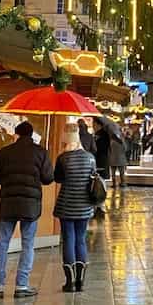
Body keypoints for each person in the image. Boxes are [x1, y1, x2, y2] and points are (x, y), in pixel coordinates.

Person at [0, 121, 54, 298]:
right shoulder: (41, 153)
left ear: (16, 134)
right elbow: (48, 178)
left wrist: (8, 181)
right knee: (28, 244)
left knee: (3, 242)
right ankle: (22, 285)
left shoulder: (5, 152)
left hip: (8, 204)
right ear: (31, 135)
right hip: (30, 206)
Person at [53, 122, 97, 292]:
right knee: (81, 240)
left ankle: (69, 282)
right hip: (84, 205)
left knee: (68, 240)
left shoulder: (63, 158)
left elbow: (57, 178)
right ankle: (80, 281)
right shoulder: (89, 157)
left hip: (66, 205)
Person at [109, 124, 128, 189]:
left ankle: (114, 183)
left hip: (113, 158)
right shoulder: (122, 140)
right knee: (122, 172)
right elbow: (125, 148)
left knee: (113, 172)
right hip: (121, 158)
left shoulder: (112, 140)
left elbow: (109, 149)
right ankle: (122, 183)